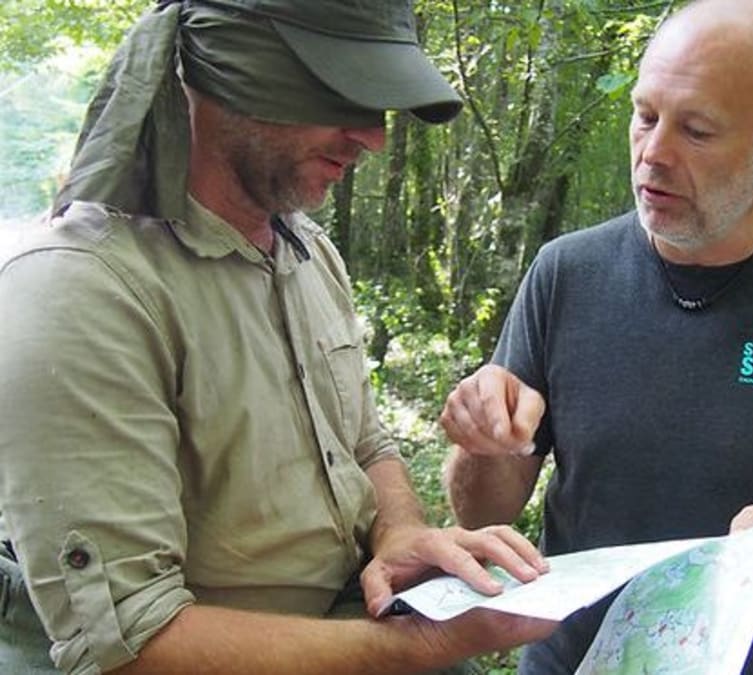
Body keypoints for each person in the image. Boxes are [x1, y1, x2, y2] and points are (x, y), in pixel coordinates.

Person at [0, 1, 557, 673]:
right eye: (339, 93)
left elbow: (364, 444)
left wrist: (401, 530)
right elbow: (135, 645)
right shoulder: (83, 290)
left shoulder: (305, 250)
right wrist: (420, 647)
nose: (373, 138)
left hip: (347, 621)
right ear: (234, 72)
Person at [440, 0, 753, 673]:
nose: (654, 154)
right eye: (645, 115)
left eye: (698, 131)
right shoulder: (567, 273)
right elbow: (487, 509)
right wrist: (482, 445)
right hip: (573, 660)